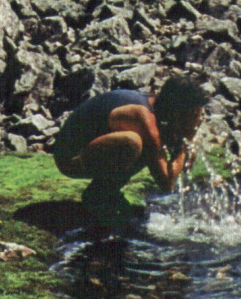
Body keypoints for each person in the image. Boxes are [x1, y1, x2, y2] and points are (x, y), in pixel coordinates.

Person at [52, 77, 207, 215]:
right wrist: (186, 139)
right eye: (193, 114)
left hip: (90, 150)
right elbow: (167, 183)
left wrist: (188, 140)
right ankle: (98, 195)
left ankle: (108, 191)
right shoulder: (145, 119)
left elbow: (185, 169)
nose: (197, 120)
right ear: (178, 111)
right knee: (132, 143)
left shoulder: (161, 113)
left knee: (146, 146)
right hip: (69, 159)